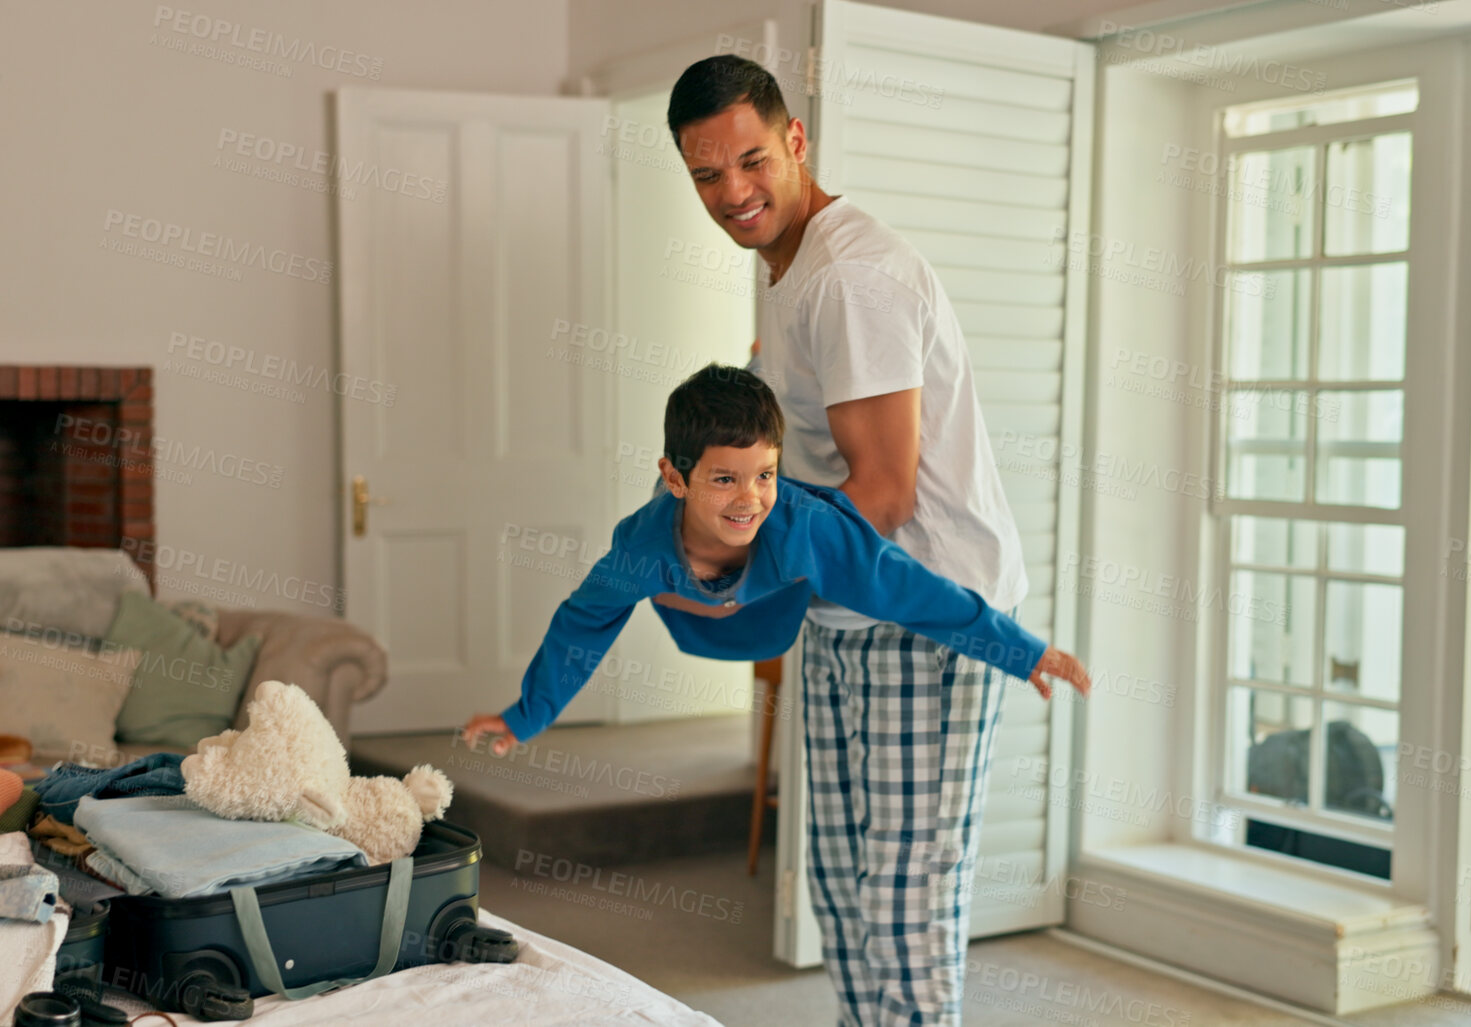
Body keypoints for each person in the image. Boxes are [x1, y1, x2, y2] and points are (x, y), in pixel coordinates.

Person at [664, 55, 1060, 1025]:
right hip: (847, 608)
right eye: (707, 174)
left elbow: (879, 494)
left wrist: (737, 572)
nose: (734, 193)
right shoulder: (789, 269)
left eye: (752, 160)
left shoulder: (852, 277)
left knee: (904, 899)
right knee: (845, 890)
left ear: (797, 141)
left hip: (921, 611)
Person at [460, 364, 1087, 756]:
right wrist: (524, 718)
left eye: (764, 474)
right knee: (664, 556)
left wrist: (1020, 649)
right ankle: (736, 402)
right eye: (726, 479)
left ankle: (759, 371)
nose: (749, 498)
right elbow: (580, 628)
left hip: (772, 611)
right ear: (676, 479)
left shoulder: (800, 526)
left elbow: (913, 592)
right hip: (693, 614)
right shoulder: (642, 548)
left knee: (814, 536)